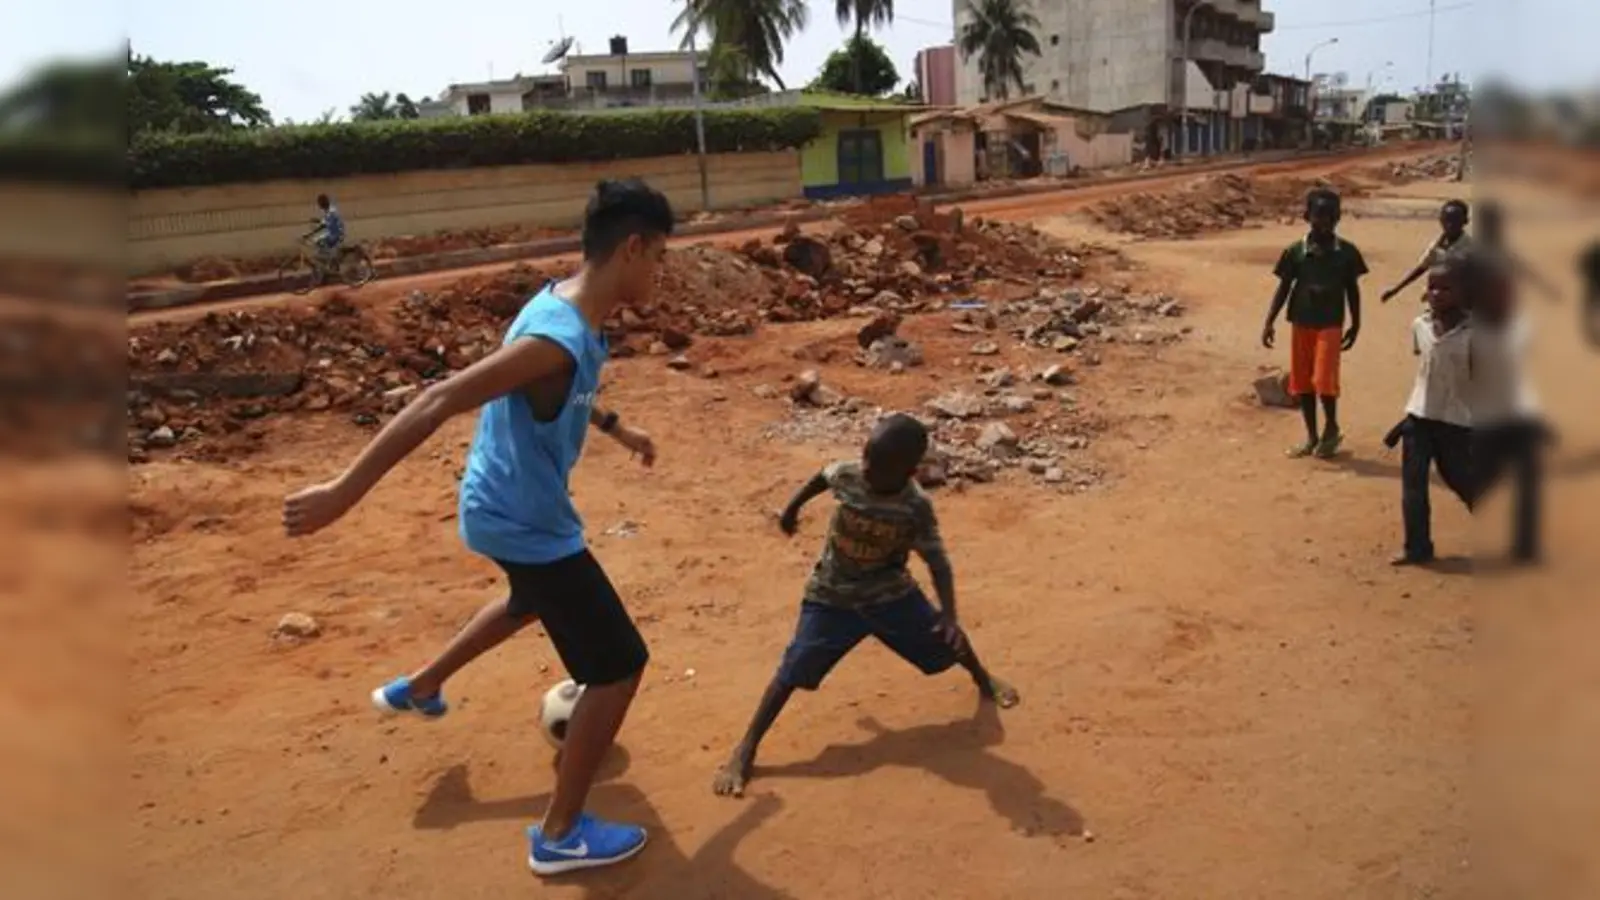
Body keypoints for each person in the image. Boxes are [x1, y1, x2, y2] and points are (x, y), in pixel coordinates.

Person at [282, 178, 674, 876]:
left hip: (499, 506)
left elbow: (571, 397)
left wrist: (620, 429)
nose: (661, 273)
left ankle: (422, 685)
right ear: (633, 247)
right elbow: (438, 400)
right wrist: (343, 492)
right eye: (659, 257)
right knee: (616, 669)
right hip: (525, 521)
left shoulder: (568, 306)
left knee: (530, 602)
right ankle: (559, 836)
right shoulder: (555, 338)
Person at [710, 414, 1020, 799]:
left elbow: (937, 562)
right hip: (831, 596)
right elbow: (821, 477)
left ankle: (982, 677)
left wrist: (950, 614)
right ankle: (746, 748)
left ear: (909, 472)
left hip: (891, 595)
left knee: (947, 638)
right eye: (866, 458)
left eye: (877, 465)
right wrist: (791, 510)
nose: (867, 468)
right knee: (792, 669)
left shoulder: (915, 507)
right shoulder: (849, 474)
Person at [1261, 188, 1369, 459]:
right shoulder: (1295, 252)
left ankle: (1331, 427)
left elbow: (1352, 290)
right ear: (1307, 216)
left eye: (1331, 216)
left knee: (1323, 379)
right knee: (1302, 383)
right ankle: (1311, 436)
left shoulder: (1346, 253)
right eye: (1319, 215)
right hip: (1301, 321)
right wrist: (1269, 321)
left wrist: (1356, 324)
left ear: (1339, 218)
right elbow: (1284, 287)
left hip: (1330, 323)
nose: (1325, 222)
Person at [1386, 261, 1475, 566]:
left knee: (1463, 480)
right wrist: (1410, 417)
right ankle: (1417, 547)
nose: (1436, 293)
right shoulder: (1420, 326)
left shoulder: (1477, 333)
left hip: (1456, 422)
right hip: (1419, 418)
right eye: (1432, 287)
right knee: (1413, 487)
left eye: (1445, 288)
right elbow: (1424, 370)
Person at [1380, 199, 1473, 303]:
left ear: (1465, 221)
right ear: (1440, 220)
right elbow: (1422, 267)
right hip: (1436, 299)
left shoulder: (1470, 248)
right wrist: (1396, 290)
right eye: (1446, 220)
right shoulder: (1437, 244)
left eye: (1455, 221)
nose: (1450, 225)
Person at [306, 193, 346, 267]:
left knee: (318, 241)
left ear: (324, 203)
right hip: (333, 233)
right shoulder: (328, 211)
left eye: (320, 203)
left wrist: (310, 234)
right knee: (319, 242)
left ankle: (329, 260)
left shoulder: (331, 211)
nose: (319, 206)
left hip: (336, 234)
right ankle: (329, 261)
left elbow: (324, 225)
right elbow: (324, 223)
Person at [1581, 239, 1600, 348]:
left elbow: (1583, 269)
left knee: (1592, 312)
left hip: (1593, 288)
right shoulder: (1594, 252)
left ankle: (1594, 336)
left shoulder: (1593, 252)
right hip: (1594, 287)